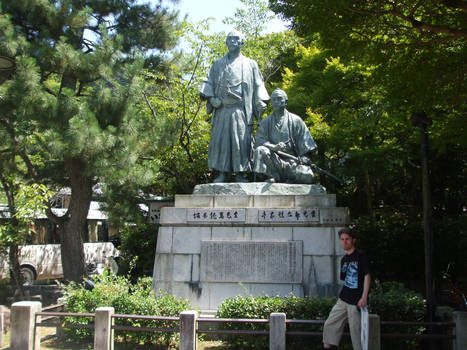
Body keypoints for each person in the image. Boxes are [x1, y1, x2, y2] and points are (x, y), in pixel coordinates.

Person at [200, 30, 269, 183]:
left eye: (236, 39)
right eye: (230, 39)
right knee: (221, 141)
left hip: (241, 110)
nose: (232, 42)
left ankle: (240, 173)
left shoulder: (250, 64)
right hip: (222, 109)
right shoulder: (217, 64)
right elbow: (208, 82)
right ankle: (222, 173)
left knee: (241, 141)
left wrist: (261, 101)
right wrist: (211, 99)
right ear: (226, 42)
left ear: (242, 42)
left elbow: (258, 84)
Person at [253, 88, 317, 183]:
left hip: (292, 163)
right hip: (273, 161)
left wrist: (304, 157)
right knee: (260, 150)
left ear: (285, 101)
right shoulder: (266, 122)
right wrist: (274, 147)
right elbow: (259, 141)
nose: (276, 102)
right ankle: (272, 176)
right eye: (273, 99)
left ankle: (290, 178)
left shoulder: (296, 120)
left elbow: (306, 144)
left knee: (306, 175)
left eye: (279, 99)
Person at [322, 228, 371, 350]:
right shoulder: (344, 259)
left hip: (356, 300)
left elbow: (367, 276)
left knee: (356, 334)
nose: (344, 242)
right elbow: (345, 279)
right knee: (330, 325)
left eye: (347, 239)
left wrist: (364, 297)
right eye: (342, 240)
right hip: (343, 298)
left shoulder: (361, 255)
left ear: (353, 240)